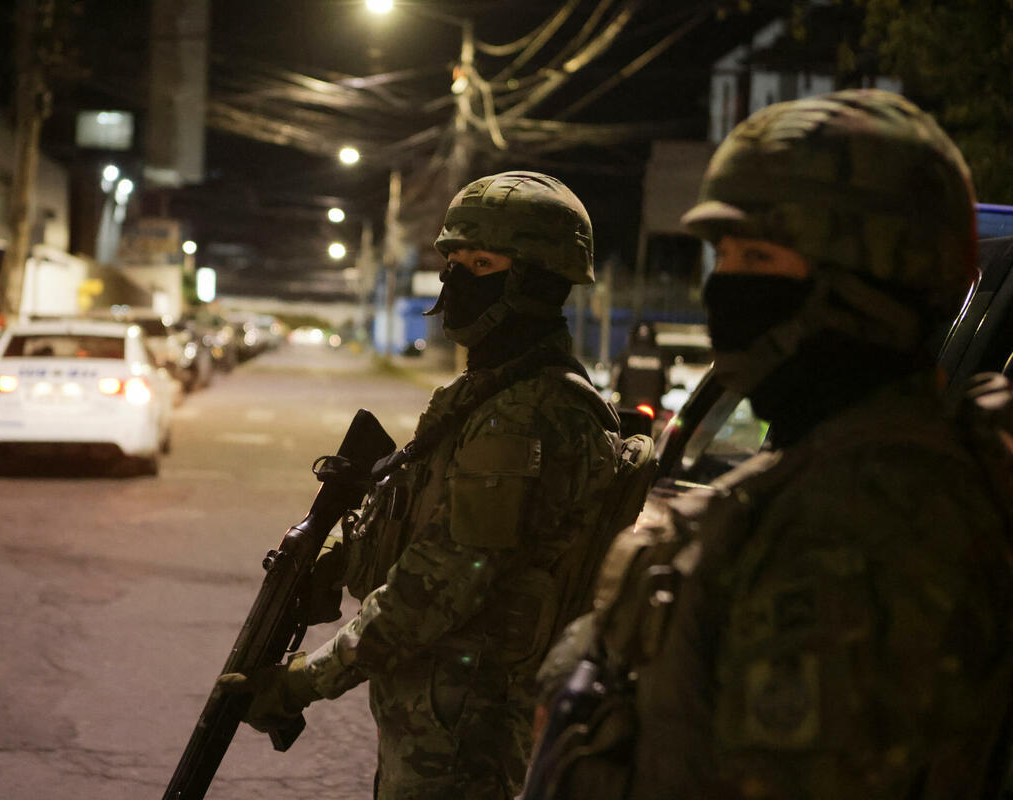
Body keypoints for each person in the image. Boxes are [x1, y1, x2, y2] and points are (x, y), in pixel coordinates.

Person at [526, 90, 1013, 799]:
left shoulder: (858, 533)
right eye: (724, 255)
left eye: (757, 255)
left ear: (869, 281)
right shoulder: (824, 484)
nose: (727, 287)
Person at [218, 172, 655, 799]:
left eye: (482, 264)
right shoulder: (489, 395)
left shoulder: (527, 413)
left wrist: (301, 683)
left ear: (538, 279)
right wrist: (341, 562)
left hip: (466, 730)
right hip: (441, 715)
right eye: (453, 261)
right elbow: (430, 523)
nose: (456, 279)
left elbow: (438, 585)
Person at [612, 322, 666, 414]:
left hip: (629, 403)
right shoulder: (659, 354)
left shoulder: (626, 353)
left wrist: (615, 390)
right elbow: (667, 379)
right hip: (653, 403)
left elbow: (615, 376)